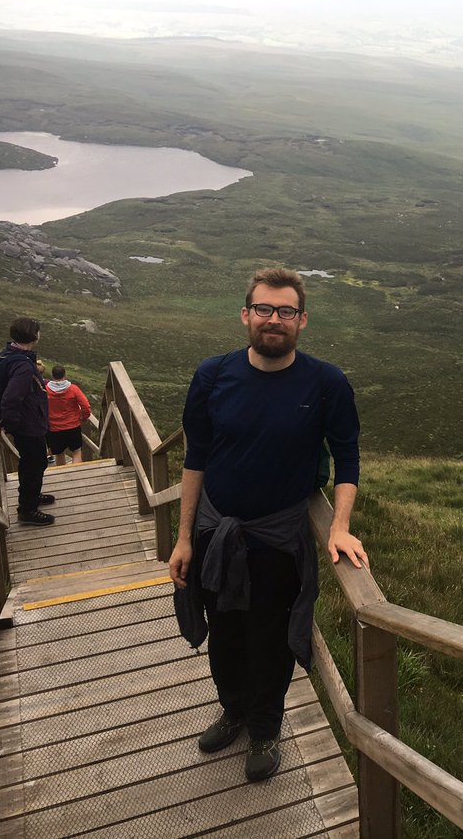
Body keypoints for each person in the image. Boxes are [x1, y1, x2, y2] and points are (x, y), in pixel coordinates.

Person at [169, 267, 368, 784]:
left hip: (278, 538)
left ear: (302, 321)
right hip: (216, 533)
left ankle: (264, 727)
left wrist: (338, 526)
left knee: (270, 638)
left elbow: (347, 458)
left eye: (285, 312)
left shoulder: (326, 383)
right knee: (225, 632)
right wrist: (185, 537)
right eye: (263, 310)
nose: (273, 320)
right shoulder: (213, 375)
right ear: (246, 315)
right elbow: (197, 457)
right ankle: (233, 709)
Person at [0, 318, 55, 525]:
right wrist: (14, 424)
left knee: (32, 463)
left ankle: (31, 496)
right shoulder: (22, 365)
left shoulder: (10, 355)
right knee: (35, 462)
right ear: (34, 335)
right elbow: (11, 398)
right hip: (27, 425)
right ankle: (28, 509)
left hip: (26, 423)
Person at [46, 366, 92, 465]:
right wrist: (83, 417)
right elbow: (86, 406)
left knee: (59, 454)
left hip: (54, 428)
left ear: (52, 376)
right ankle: (76, 475)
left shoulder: (46, 390)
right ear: (65, 375)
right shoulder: (73, 389)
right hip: (73, 426)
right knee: (76, 452)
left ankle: (63, 476)